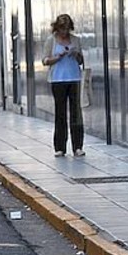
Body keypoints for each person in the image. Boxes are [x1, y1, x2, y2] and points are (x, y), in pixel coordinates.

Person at [42, 13, 85, 157]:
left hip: (74, 78)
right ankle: (60, 147)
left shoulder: (76, 40)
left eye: (67, 29)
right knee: (60, 113)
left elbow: (81, 61)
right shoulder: (51, 40)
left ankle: (77, 146)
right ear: (57, 28)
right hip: (57, 80)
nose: (64, 32)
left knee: (76, 113)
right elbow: (45, 60)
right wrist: (57, 58)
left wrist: (76, 54)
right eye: (62, 29)